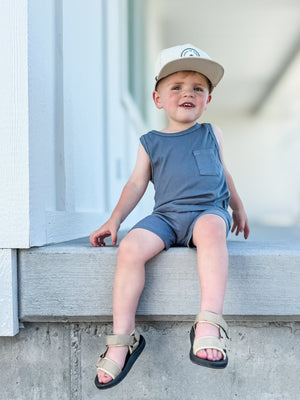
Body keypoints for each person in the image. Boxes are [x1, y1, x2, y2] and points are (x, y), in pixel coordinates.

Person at [91, 43, 250, 389]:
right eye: (176, 86)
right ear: (157, 98)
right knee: (131, 247)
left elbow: (224, 172)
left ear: (208, 98)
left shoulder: (212, 133)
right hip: (166, 216)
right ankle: (123, 338)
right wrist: (115, 220)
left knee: (211, 230)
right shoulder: (150, 142)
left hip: (206, 212)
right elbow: (135, 185)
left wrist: (236, 205)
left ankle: (208, 322)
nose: (188, 94)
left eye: (198, 88)